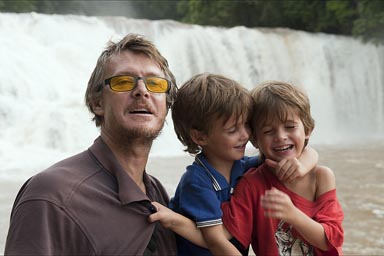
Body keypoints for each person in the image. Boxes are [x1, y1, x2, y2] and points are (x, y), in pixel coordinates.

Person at [5, 34, 178, 255]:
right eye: (123, 81)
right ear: (97, 103)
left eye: (155, 83)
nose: (142, 91)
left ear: (166, 103)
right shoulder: (52, 197)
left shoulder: (156, 193)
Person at [166, 73, 319, 256]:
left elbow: (305, 153)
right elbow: (216, 242)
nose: (245, 135)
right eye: (232, 130)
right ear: (200, 137)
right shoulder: (197, 181)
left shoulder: (244, 167)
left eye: (246, 125)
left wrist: (302, 165)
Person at [221, 81, 344, 255]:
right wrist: (175, 221)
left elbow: (332, 239)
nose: (280, 137)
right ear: (255, 139)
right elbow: (226, 235)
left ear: (308, 129)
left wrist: (292, 214)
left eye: (290, 127)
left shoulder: (321, 178)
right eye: (268, 131)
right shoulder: (251, 185)